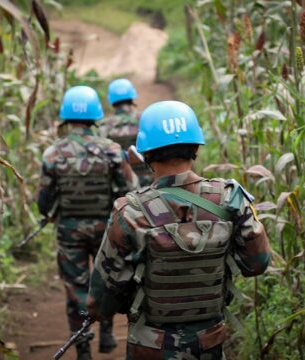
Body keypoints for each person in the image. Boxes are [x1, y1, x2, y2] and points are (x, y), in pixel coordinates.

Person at [87, 100, 271, 359]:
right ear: (195, 147)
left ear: (146, 154)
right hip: (209, 342)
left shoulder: (130, 211)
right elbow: (258, 264)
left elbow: (103, 296)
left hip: (150, 345)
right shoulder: (229, 198)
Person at [38, 85, 137, 360]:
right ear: (95, 115)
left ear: (65, 117)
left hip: (69, 230)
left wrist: (52, 212)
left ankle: (83, 348)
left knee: (76, 288)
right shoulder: (112, 150)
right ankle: (106, 332)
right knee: (105, 280)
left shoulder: (53, 153)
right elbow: (129, 188)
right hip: (107, 228)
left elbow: (43, 201)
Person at [99, 78, 153, 187]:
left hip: (122, 184)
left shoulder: (104, 126)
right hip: (150, 181)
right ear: (132, 96)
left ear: (111, 100)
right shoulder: (146, 119)